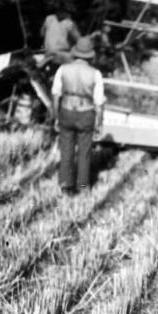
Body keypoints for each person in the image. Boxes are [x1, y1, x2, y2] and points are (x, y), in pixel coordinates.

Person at [51, 37, 105, 195]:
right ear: (90, 56)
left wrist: (56, 117)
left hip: (66, 111)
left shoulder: (62, 69)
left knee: (66, 150)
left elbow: (55, 95)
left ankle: (65, 185)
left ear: (75, 53)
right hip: (86, 114)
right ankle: (82, 187)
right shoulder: (96, 74)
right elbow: (99, 103)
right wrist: (99, 123)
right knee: (84, 152)